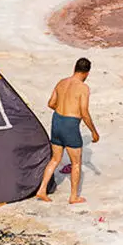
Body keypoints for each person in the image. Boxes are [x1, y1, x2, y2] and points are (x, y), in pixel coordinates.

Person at [35, 57, 101, 204]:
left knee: (55, 159)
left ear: (75, 68)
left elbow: (51, 103)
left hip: (57, 121)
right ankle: (73, 197)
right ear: (87, 73)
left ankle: (41, 190)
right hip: (70, 125)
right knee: (76, 163)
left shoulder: (61, 82)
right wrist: (93, 132)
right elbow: (84, 112)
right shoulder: (83, 88)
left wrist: (63, 110)